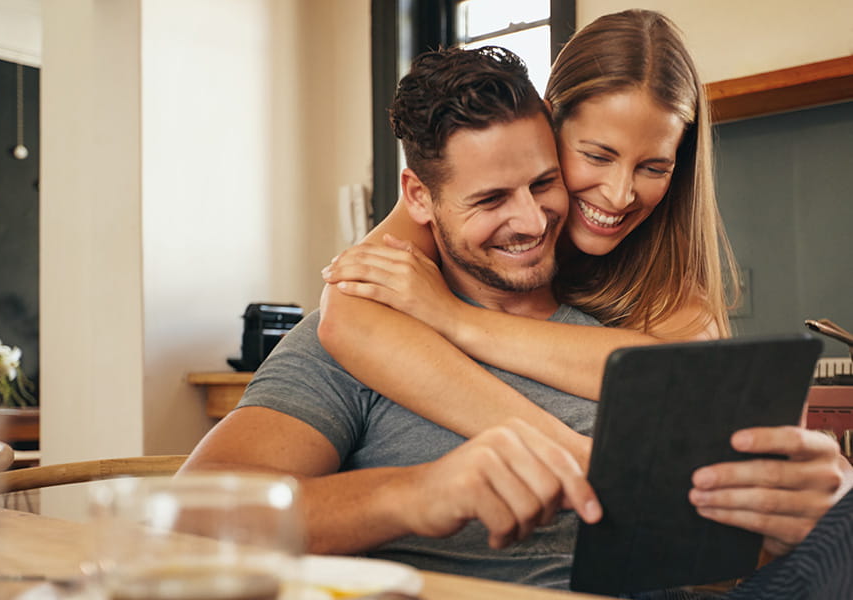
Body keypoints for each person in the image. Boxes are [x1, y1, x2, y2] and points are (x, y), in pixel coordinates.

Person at [182, 42, 851, 593]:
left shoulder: (642, 323)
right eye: (492, 198)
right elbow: (192, 518)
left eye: (541, 183)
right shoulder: (362, 323)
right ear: (418, 196)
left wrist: (804, 512)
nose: (531, 221)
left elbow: (729, 551)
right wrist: (412, 495)